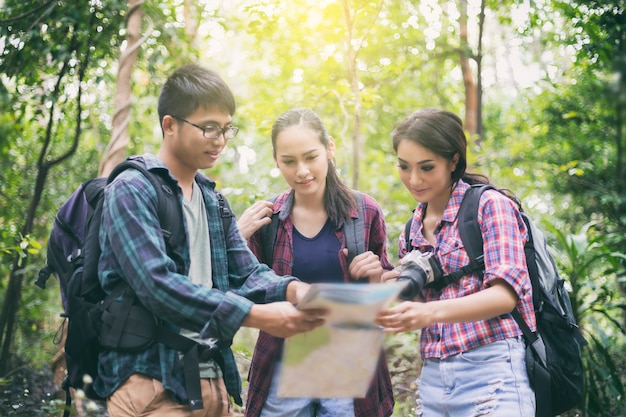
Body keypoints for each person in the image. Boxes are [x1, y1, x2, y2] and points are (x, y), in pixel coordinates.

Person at [94, 64, 325, 417]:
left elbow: (247, 274)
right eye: (208, 128)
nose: (219, 140)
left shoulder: (211, 200)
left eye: (225, 128)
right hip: (151, 382)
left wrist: (297, 291)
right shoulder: (132, 190)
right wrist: (258, 315)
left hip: (209, 379)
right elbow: (158, 285)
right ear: (169, 125)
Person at [375, 108, 536, 416]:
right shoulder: (411, 231)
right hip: (434, 380)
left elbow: (505, 296)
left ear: (453, 161)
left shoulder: (490, 206)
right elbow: (426, 302)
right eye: (404, 167)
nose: (414, 179)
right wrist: (390, 287)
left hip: (492, 373)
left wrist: (427, 312)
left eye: (426, 167)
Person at [239, 108, 395, 417]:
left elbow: (386, 305)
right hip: (282, 364)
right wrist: (238, 237)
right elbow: (246, 290)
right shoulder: (267, 221)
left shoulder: (365, 212)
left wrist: (376, 278)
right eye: (289, 161)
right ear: (275, 160)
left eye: (310, 157)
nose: (301, 171)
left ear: (329, 149)